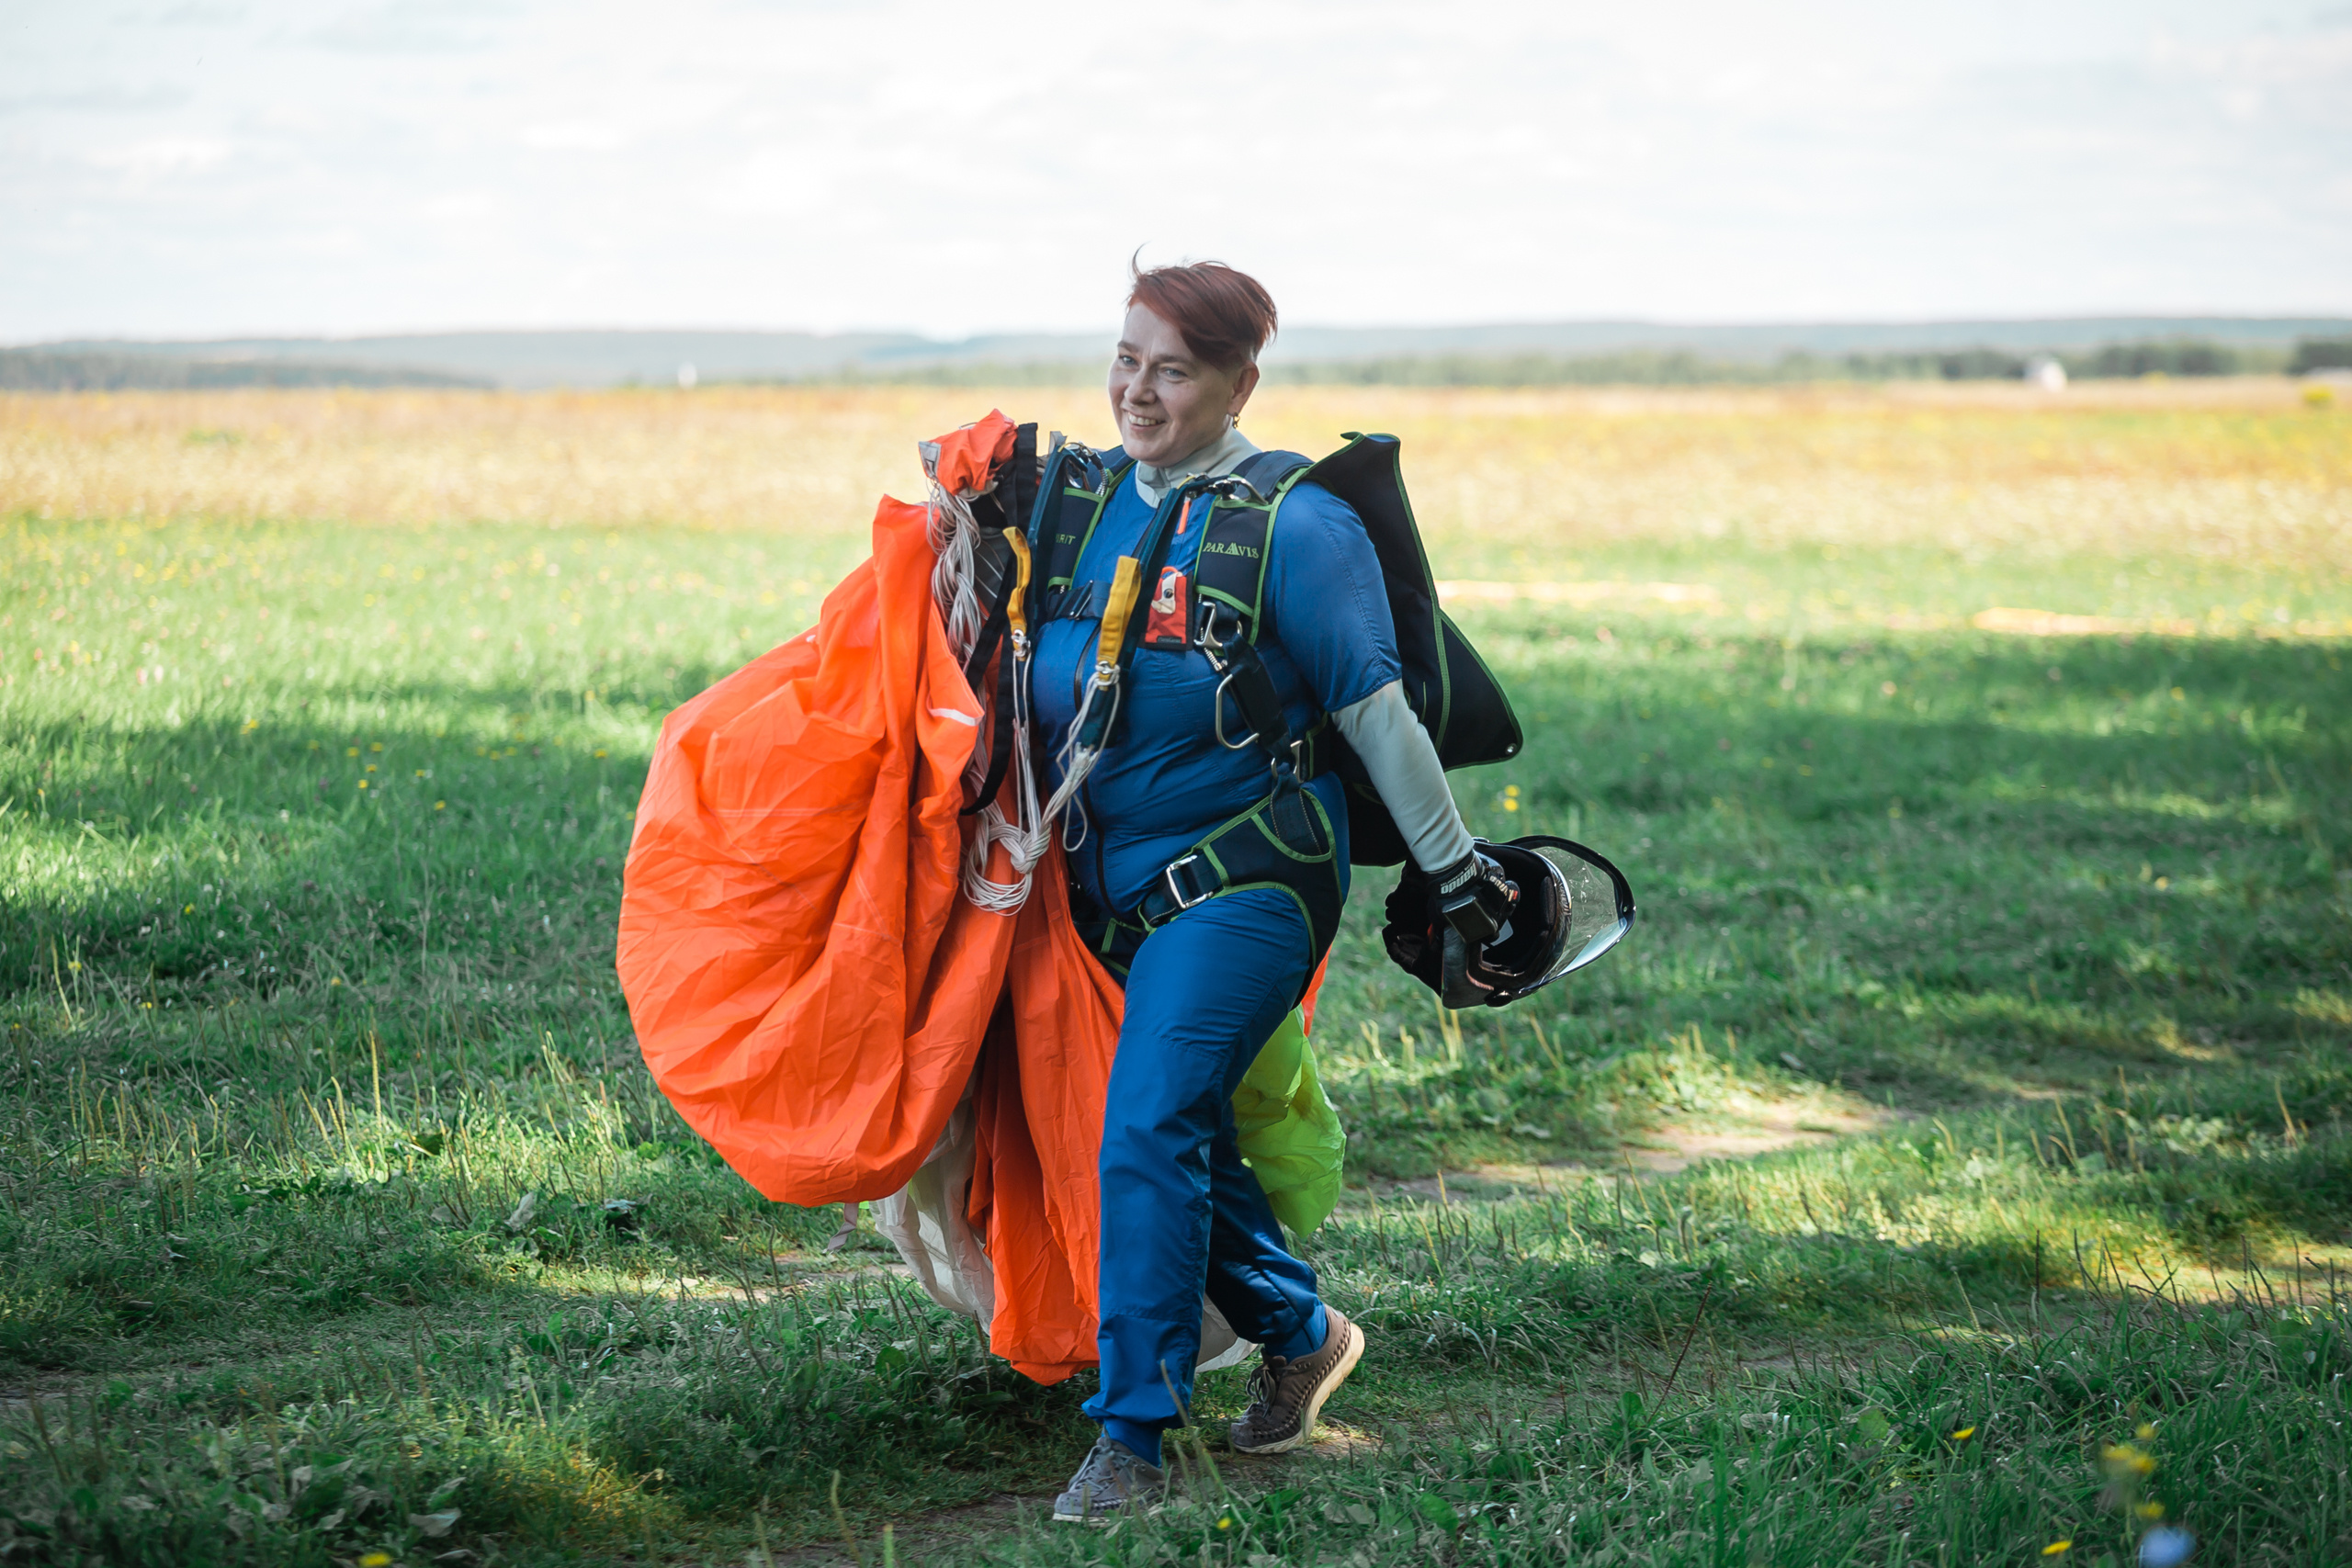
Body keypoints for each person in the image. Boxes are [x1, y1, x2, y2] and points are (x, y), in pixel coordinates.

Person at [1034, 262, 1515, 1522]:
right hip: (1101, 883)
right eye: (1127, 357)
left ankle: (1134, 1434)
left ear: (1240, 384)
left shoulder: (1298, 524)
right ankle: (1299, 1335)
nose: (1138, 389)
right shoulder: (1080, 507)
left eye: (1172, 369)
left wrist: (1457, 877)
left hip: (1248, 878)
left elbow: (1381, 716)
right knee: (1175, 1122)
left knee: (1142, 1123)